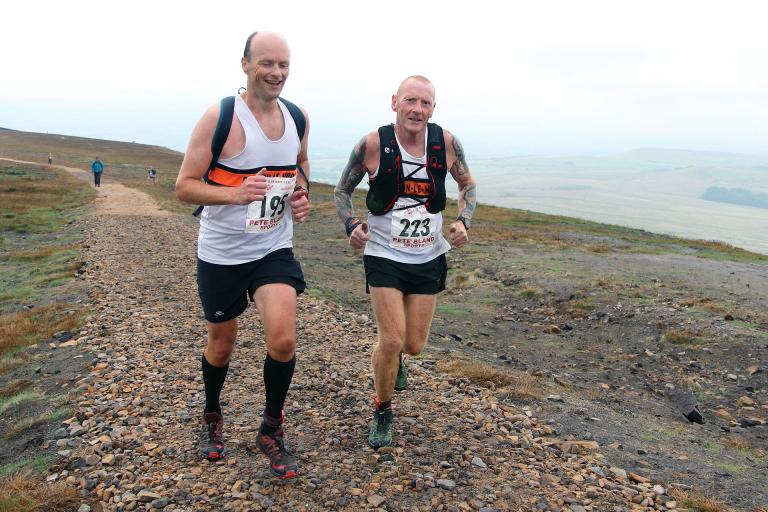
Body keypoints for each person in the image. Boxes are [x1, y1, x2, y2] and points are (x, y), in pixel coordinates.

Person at [175, 31, 310, 479]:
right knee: (222, 342)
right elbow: (184, 187)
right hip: (222, 252)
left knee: (284, 338)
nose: (276, 73)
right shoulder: (222, 118)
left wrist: (301, 195)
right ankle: (212, 415)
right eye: (267, 63)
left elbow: (299, 167)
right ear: (246, 64)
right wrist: (234, 195)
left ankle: (271, 430)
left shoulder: (297, 117)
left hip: (272, 246)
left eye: (283, 65)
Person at [334, 75, 477, 449]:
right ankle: (382, 409)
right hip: (383, 252)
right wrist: (351, 224)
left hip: (428, 254)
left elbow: (467, 185)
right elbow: (342, 190)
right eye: (410, 101)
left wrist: (463, 220)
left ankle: (397, 359)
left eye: (425, 103)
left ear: (433, 108)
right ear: (395, 101)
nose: (417, 109)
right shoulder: (372, 144)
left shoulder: (446, 143)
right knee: (392, 338)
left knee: (412, 345)